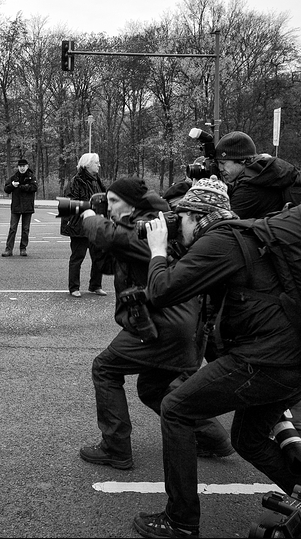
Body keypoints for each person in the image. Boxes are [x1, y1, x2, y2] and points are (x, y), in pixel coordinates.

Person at [132, 177, 301, 538]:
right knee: (249, 440)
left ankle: (180, 521)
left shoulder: (219, 241)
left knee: (175, 408)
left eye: (181, 218)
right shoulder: (242, 235)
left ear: (197, 216)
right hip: (300, 360)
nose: (178, 225)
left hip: (269, 362)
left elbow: (161, 291)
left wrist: (158, 248)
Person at [77, 177, 232, 470]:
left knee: (105, 368)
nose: (108, 208)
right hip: (179, 324)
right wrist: (100, 227)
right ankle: (213, 439)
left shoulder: (151, 226)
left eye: (114, 202)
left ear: (133, 204)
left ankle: (115, 448)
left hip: (165, 324)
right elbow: (110, 263)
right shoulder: (149, 221)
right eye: (106, 202)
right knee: (153, 388)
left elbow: (114, 238)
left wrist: (89, 218)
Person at [214, 131, 301, 438]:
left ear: (242, 161)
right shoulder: (274, 176)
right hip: (297, 274)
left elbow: (222, 225)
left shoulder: (253, 189)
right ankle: (292, 423)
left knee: (285, 350)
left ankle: (292, 426)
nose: (222, 170)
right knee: (297, 348)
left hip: (282, 281)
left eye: (226, 163)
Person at [60, 153, 108, 298]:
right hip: (79, 226)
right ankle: (74, 287)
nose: (99, 165)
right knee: (78, 256)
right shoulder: (76, 181)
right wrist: (89, 208)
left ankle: (95, 285)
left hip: (95, 224)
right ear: (87, 165)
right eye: (96, 163)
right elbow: (69, 203)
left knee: (98, 255)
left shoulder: (97, 180)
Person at [1, 158, 38, 257]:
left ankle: (23, 248)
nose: (22, 168)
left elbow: (34, 188)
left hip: (27, 207)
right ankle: (8, 249)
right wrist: (12, 185)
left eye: (24, 166)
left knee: (25, 229)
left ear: (27, 166)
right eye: (20, 166)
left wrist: (22, 187)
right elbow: (6, 189)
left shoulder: (31, 177)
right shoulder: (14, 177)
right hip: (16, 207)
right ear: (18, 167)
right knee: (12, 228)